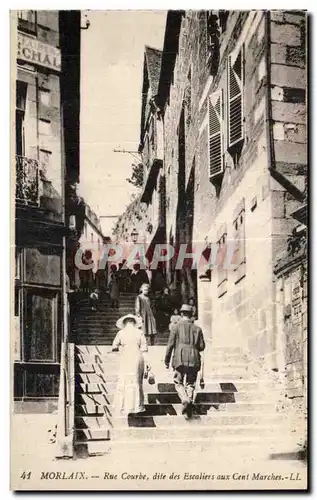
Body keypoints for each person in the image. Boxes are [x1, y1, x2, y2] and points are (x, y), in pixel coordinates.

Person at [164, 304, 205, 418]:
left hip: (179, 357)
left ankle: (185, 399)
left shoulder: (175, 327)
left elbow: (170, 345)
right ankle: (189, 402)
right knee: (191, 383)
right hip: (194, 358)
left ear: (181, 314)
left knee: (178, 381)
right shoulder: (198, 329)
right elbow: (202, 346)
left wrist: (166, 360)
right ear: (191, 315)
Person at [111, 314, 150, 416]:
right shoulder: (139, 332)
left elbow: (114, 346)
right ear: (134, 322)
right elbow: (144, 349)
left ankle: (125, 407)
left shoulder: (121, 332)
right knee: (136, 381)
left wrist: (122, 349)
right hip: (137, 357)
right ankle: (137, 407)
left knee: (125, 381)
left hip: (126, 358)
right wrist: (147, 363)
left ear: (125, 322)